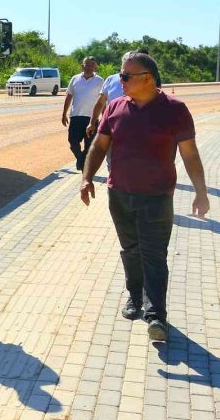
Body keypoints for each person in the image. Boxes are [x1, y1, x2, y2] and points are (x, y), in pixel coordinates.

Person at [79, 51, 209, 342]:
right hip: (119, 194)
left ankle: (156, 315)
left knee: (154, 255)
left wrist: (200, 192)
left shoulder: (175, 110)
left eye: (125, 76)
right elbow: (99, 145)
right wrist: (86, 178)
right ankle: (135, 297)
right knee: (130, 250)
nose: (120, 80)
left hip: (156, 197)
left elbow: (189, 153)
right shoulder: (115, 107)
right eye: (120, 75)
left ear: (147, 78)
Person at [85, 48, 158, 140]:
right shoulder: (110, 79)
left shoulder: (140, 79)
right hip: (113, 127)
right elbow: (100, 103)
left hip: (136, 127)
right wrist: (92, 122)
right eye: (126, 60)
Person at [61, 57, 104, 171]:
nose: (89, 67)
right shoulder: (75, 79)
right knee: (73, 142)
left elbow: (102, 101)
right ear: (82, 66)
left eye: (92, 65)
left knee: (89, 145)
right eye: (87, 64)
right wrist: (64, 113)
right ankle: (81, 160)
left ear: (95, 67)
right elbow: (69, 96)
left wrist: (104, 117)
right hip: (76, 116)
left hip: (92, 119)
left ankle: (82, 164)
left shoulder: (100, 81)